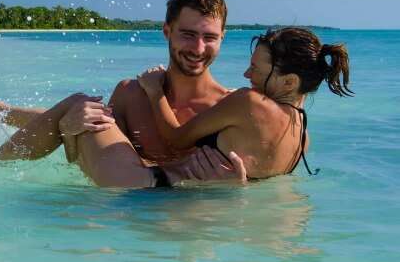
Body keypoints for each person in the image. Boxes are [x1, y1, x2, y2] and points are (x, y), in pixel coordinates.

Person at [0, 0, 249, 185]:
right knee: (85, 113)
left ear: (223, 37)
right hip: (131, 205)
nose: (198, 48)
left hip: (172, 218)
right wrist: (69, 131)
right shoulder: (132, 94)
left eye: (209, 37)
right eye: (188, 34)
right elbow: (92, 158)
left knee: (76, 111)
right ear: (167, 32)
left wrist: (237, 186)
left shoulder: (229, 108)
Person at [136, 27, 352, 180]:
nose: (246, 74)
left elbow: (176, 138)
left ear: (289, 82)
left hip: (159, 196)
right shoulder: (303, 140)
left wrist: (155, 91)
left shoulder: (248, 102)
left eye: (255, 68)